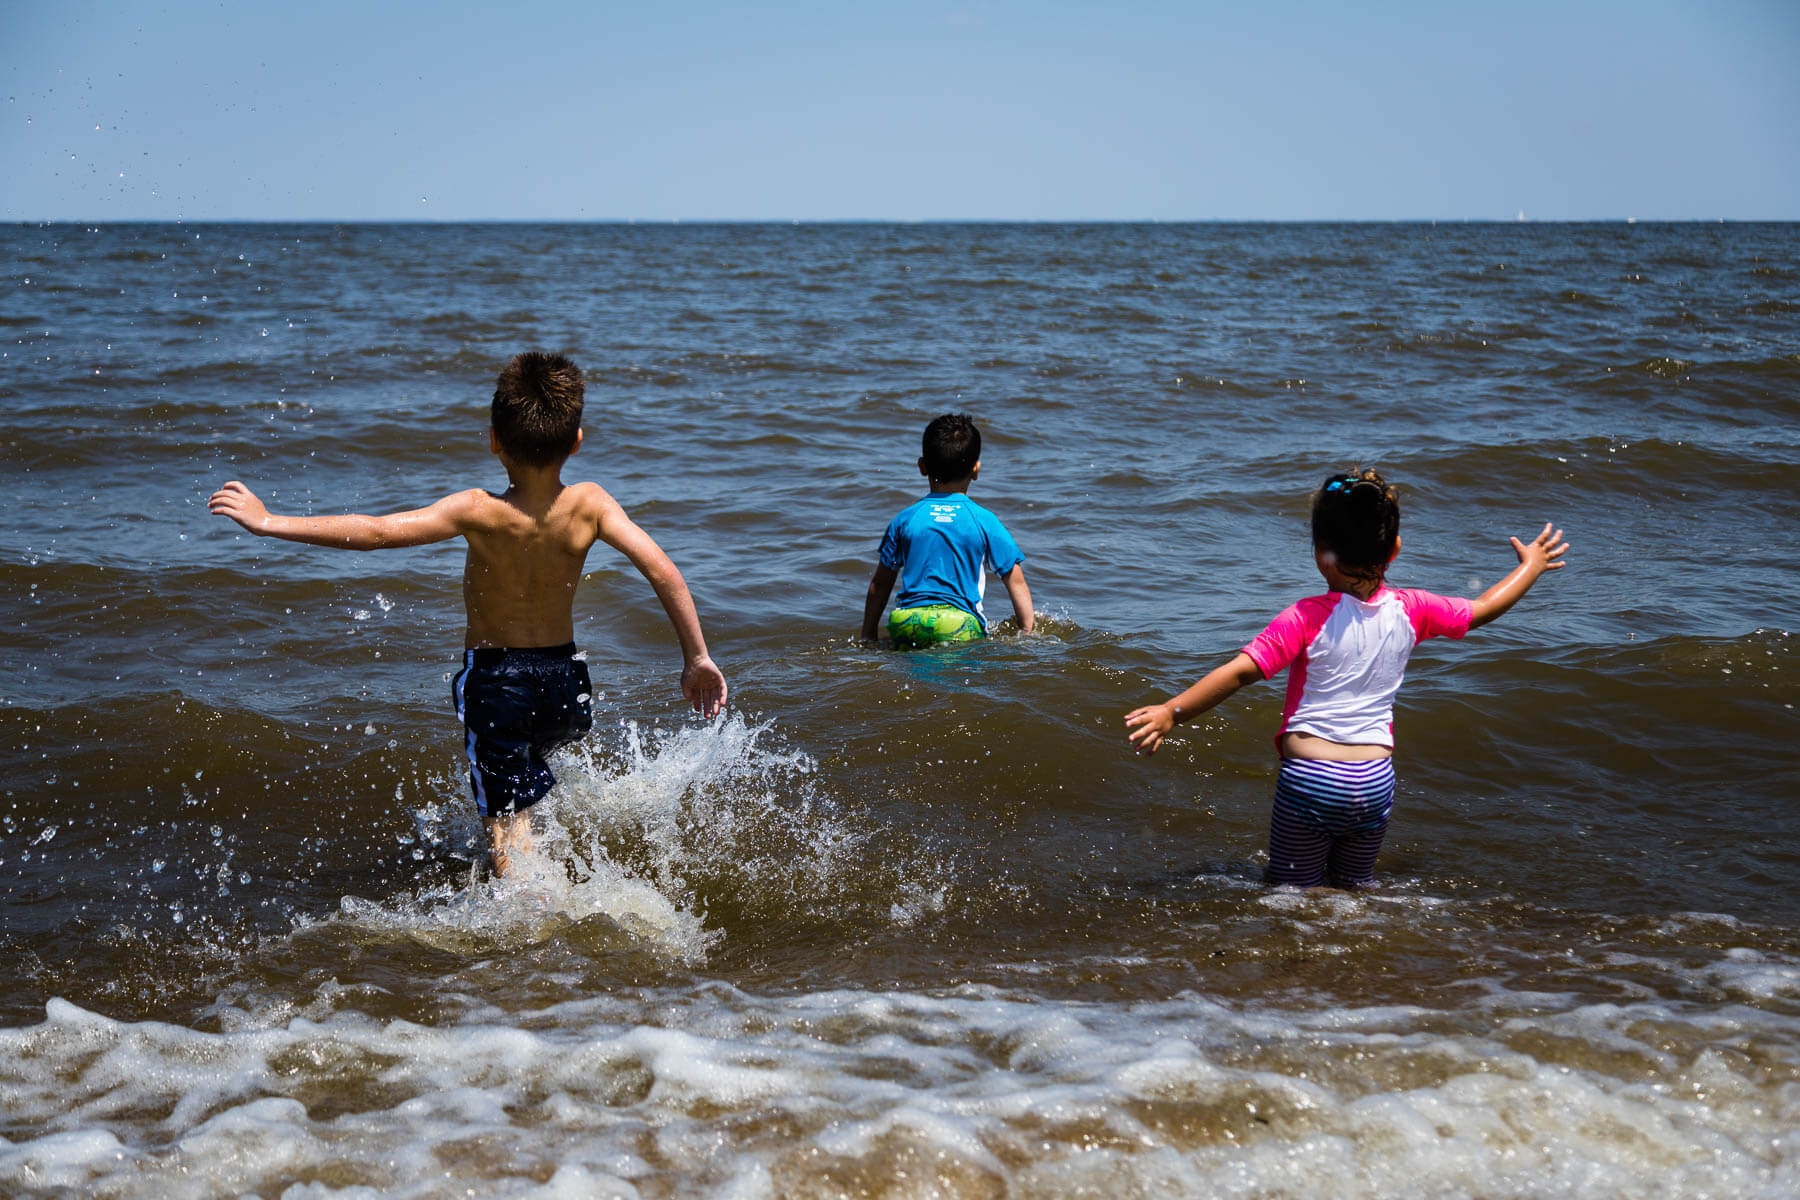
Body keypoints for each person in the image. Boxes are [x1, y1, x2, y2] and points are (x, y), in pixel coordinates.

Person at [209, 352, 727, 877]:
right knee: (526, 775)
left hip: (498, 681)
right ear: (576, 442)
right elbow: (663, 570)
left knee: (504, 823)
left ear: (494, 440)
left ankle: (528, 918)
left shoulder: (477, 509)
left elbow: (378, 532)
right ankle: (542, 864)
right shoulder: (592, 504)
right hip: (566, 683)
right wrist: (697, 657)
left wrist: (269, 520)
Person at [1125, 468, 1567, 889]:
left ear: (1321, 553)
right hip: (1374, 780)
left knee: (1292, 893)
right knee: (1353, 889)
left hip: (1312, 780)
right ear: (1393, 549)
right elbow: (1482, 609)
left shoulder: (1305, 617)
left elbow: (1242, 672)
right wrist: (1531, 565)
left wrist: (1171, 711)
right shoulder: (1414, 609)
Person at [861, 413, 1035, 648]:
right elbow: (1015, 580)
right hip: (959, 624)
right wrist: (1027, 632)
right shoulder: (984, 520)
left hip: (907, 622)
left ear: (922, 466)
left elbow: (879, 584)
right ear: (976, 469)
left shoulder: (905, 519)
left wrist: (868, 636)